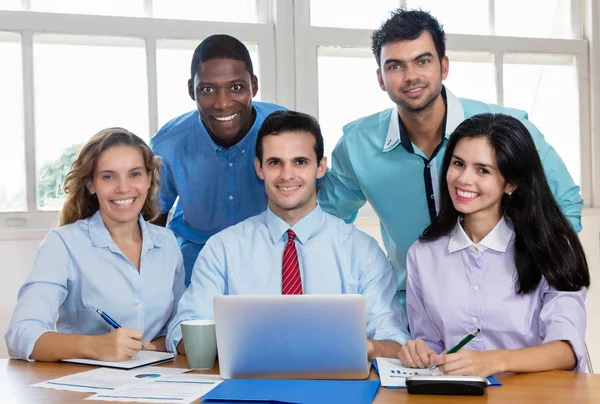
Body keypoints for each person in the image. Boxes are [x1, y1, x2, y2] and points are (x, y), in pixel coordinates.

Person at [317, 9, 583, 309]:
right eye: (395, 66)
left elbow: (565, 203)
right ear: (380, 78)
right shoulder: (357, 145)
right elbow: (324, 222)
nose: (410, 76)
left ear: (443, 66)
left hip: (510, 306)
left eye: (423, 61)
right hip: (412, 311)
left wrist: (533, 276)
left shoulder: (507, 128)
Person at [166, 110, 411, 359]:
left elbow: (395, 341)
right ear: (259, 168)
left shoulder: (362, 251)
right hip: (247, 389)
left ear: (320, 167)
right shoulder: (223, 249)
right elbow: (183, 333)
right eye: (275, 162)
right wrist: (260, 346)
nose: (287, 175)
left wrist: (355, 346)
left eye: (300, 162)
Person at [397, 113, 589, 376]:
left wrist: (491, 361)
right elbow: (431, 344)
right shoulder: (422, 254)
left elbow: (566, 349)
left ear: (510, 183)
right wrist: (418, 352)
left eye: (482, 170)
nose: (463, 179)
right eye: (458, 163)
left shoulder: (552, 246)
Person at [5, 128, 186, 362]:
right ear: (91, 184)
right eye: (108, 176)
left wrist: (150, 346)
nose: (123, 188)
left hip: (155, 382)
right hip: (85, 387)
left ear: (149, 178)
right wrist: (95, 346)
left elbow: (180, 326)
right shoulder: (63, 244)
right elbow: (21, 334)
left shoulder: (167, 243)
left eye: (135, 174)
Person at [150, 34, 286, 286]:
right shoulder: (168, 144)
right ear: (192, 90)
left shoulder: (287, 129)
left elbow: (316, 195)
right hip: (193, 265)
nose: (222, 104)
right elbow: (153, 216)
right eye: (208, 89)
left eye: (236, 87)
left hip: (271, 262)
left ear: (253, 86)